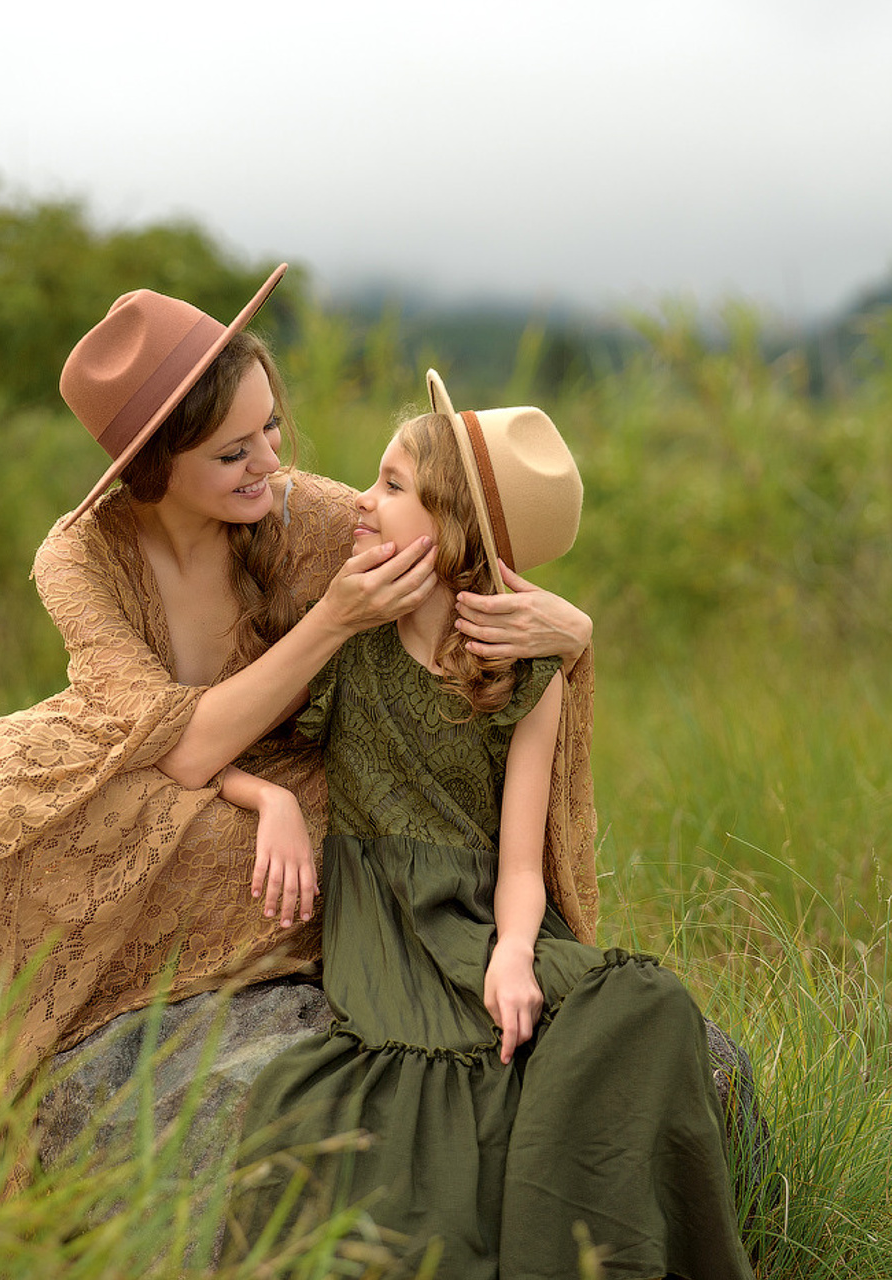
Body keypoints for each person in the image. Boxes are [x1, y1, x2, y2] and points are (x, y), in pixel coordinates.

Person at [0, 266, 596, 1142]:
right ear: (155, 465)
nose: (270, 462)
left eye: (271, 428)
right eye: (233, 453)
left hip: (282, 783)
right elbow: (178, 748)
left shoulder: (308, 516)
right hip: (136, 763)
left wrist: (572, 629)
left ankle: (20, 1068)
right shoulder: (79, 557)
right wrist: (327, 631)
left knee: (235, 840)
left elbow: (464, 553)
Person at [232, 373, 756, 1280]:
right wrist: (264, 798)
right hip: (392, 922)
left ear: (454, 529)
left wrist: (514, 952)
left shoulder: (527, 678)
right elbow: (217, 738)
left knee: (649, 1006)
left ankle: (567, 1253)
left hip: (486, 909)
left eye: (393, 485)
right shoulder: (346, 641)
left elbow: (519, 865)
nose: (362, 499)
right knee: (422, 1095)